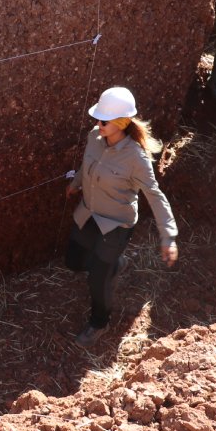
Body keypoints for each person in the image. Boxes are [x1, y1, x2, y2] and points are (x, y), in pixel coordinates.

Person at [64, 87, 179, 348]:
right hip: (88, 214)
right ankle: (115, 263)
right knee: (73, 261)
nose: (98, 124)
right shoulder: (95, 137)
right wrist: (77, 182)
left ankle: (99, 322)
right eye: (98, 118)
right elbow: (87, 163)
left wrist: (168, 235)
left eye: (104, 120)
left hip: (115, 225)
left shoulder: (136, 159)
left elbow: (154, 195)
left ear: (122, 123)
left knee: (98, 278)